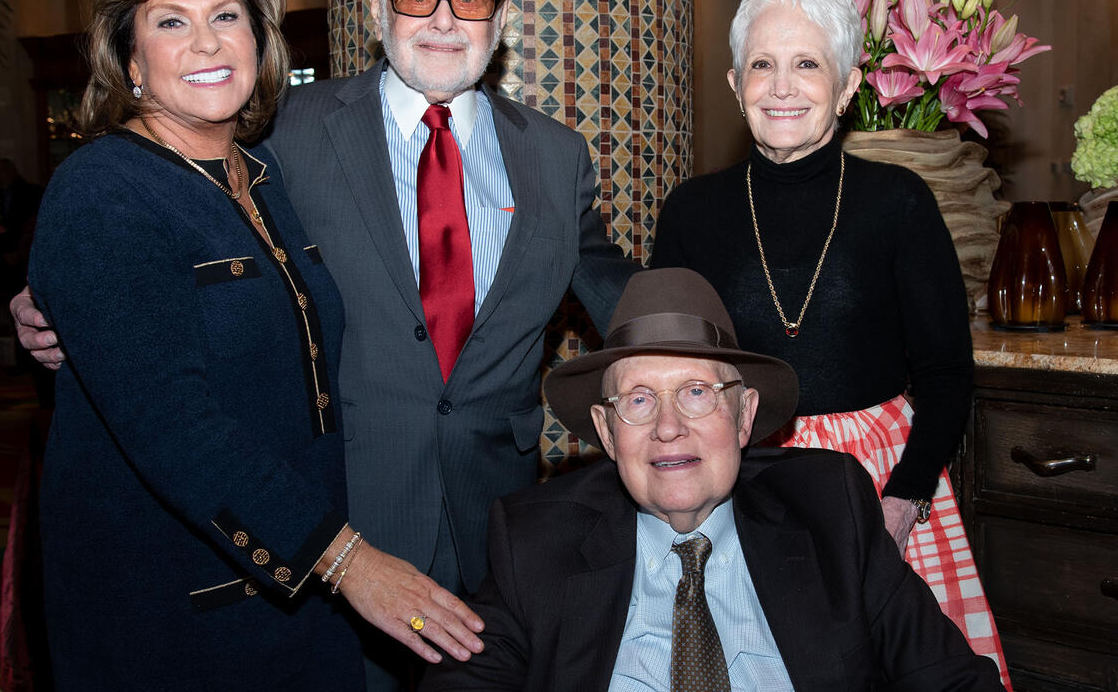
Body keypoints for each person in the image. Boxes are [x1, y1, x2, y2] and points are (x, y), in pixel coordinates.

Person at [12, 0, 637, 690]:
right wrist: (53, 309)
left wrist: (712, 365)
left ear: (501, 18)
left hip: (487, 530)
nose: (443, 20)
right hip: (305, 552)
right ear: (377, 9)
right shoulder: (287, 137)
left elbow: (617, 287)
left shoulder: (259, 173)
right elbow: (159, 377)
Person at [650, 0, 1010, 682]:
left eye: (807, 63)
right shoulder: (691, 211)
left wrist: (901, 505)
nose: (783, 86)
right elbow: (665, 368)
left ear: (848, 88)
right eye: (763, 64)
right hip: (734, 474)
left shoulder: (900, 203)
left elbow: (945, 374)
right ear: (734, 83)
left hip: (877, 485)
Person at [420, 268, 1006, 691]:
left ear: (745, 415)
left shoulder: (831, 510)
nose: (668, 429)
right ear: (604, 428)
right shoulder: (533, 541)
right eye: (640, 400)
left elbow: (952, 679)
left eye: (697, 394)